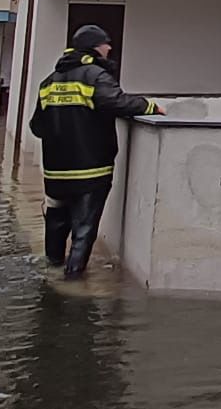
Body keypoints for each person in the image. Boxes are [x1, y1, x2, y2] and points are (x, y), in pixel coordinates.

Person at [29, 25, 163, 279]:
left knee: (56, 222)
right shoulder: (95, 76)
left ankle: (52, 268)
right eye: (106, 43)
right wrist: (150, 106)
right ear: (94, 46)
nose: (110, 48)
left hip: (55, 173)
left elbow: (37, 127)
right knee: (84, 228)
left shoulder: (48, 82)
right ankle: (73, 280)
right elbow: (117, 102)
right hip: (91, 169)